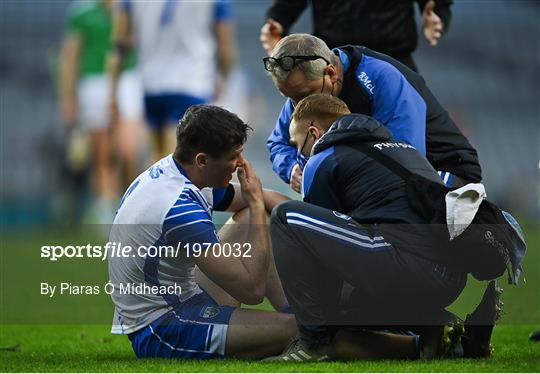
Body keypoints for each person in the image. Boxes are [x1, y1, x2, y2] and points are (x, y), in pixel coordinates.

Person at [267, 94, 501, 361]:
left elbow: (320, 256)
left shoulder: (325, 157)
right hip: (449, 278)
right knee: (343, 307)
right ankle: (447, 329)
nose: (299, 155)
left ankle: (313, 345)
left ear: (314, 132)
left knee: (285, 218)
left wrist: (319, 317)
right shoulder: (405, 148)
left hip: (409, 263)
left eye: (299, 145)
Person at [108, 105, 296, 359]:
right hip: (163, 327)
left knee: (258, 214)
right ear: (203, 160)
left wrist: (317, 225)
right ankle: (304, 326)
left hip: (183, 296)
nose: (241, 164)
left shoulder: (178, 172)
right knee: (301, 330)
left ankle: (298, 314)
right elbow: (252, 291)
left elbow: (269, 199)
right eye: (234, 156)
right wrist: (254, 202)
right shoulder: (179, 209)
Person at [264, 33, 481, 194]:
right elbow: (278, 143)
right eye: (288, 97)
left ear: (331, 73)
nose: (296, 105)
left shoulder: (381, 77)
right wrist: (291, 167)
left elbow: (406, 157)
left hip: (442, 172)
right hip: (384, 176)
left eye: (303, 95)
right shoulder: (304, 89)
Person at [109, 0, 236, 161]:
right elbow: (226, 49)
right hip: (192, 82)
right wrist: (222, 80)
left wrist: (113, 90)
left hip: (151, 83)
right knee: (183, 160)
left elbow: (120, 44)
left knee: (158, 159)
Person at [59, 0, 145, 223]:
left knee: (128, 149)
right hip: (93, 82)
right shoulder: (83, 11)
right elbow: (71, 56)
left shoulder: (131, 7)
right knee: (103, 153)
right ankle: (108, 211)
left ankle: (133, 204)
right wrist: (69, 97)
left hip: (127, 79)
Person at [260, 0, 453, 71]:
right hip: (333, 63)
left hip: (394, 60)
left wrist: (437, 14)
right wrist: (278, 21)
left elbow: (438, 4)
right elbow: (287, 5)